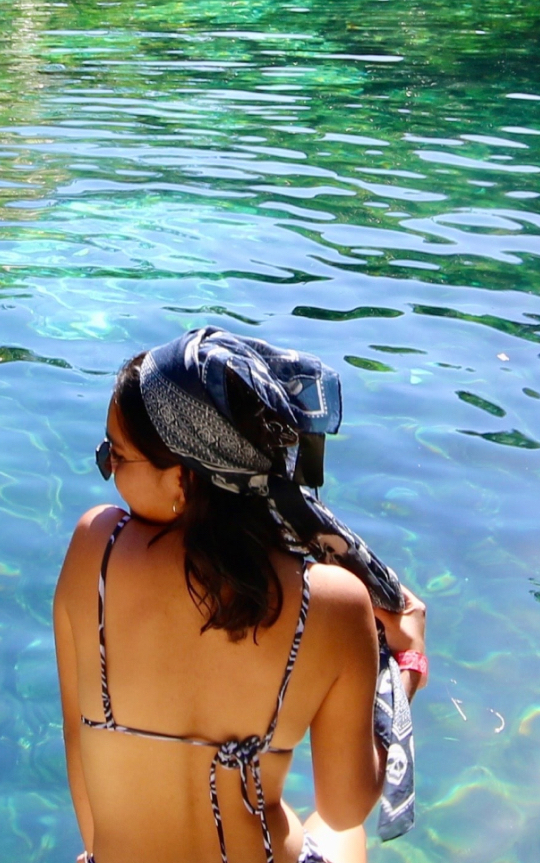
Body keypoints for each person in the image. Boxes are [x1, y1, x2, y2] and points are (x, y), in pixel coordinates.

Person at [54, 328, 427, 863]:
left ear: (182, 481)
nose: (107, 470)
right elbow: (347, 806)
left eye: (115, 456)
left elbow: (79, 752)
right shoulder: (333, 601)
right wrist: (406, 665)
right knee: (341, 834)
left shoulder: (97, 549)